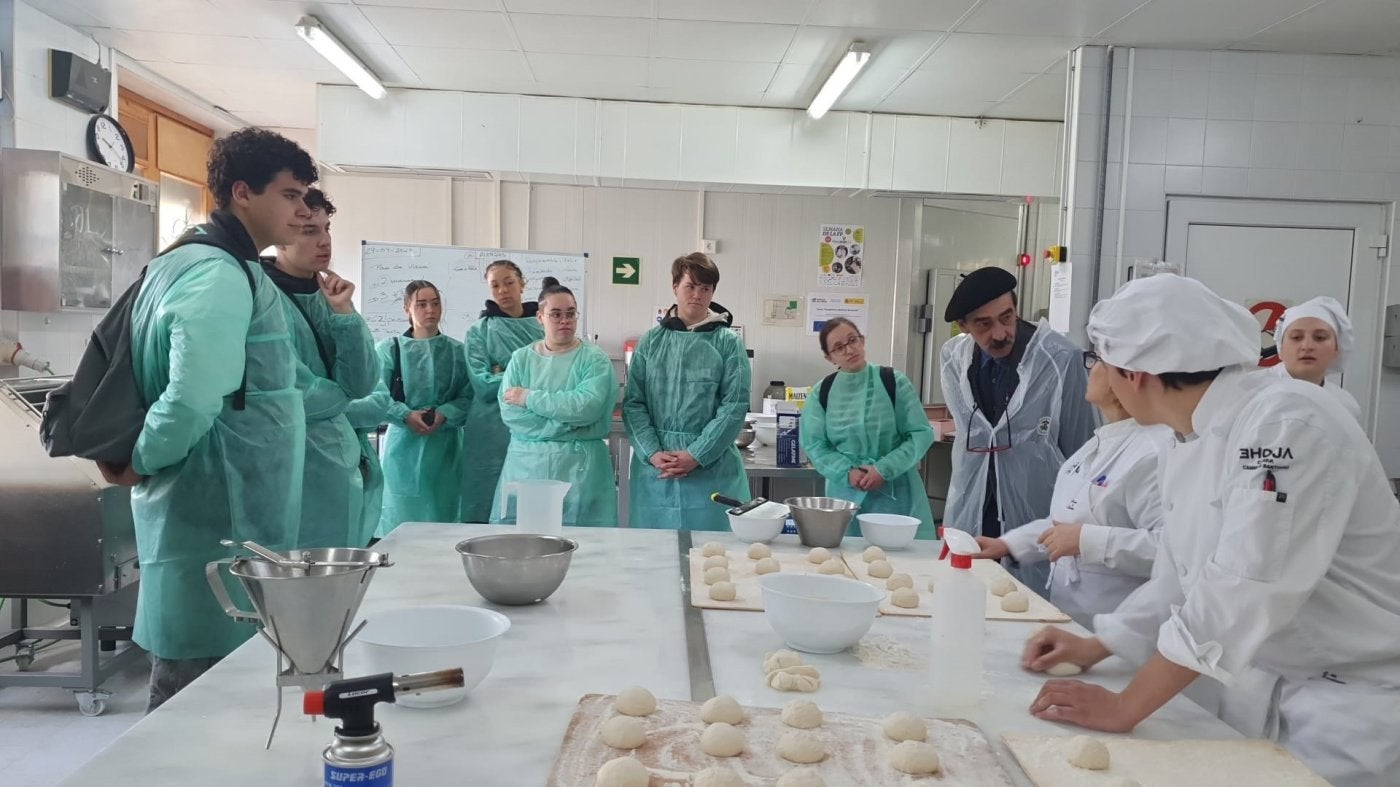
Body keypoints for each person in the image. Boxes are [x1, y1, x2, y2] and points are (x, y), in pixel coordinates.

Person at [1021, 274, 1400, 786]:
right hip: (1261, 684)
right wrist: (1100, 643)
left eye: (1100, 362)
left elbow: (1242, 587)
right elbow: (1181, 576)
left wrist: (1126, 706)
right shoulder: (1187, 437)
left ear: (1135, 375)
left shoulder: (1284, 424)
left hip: (1350, 704)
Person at [97, 128, 317, 711]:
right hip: (218, 511)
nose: (303, 210)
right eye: (290, 195)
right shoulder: (217, 273)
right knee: (195, 702)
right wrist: (141, 458)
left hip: (219, 509)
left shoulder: (200, 262)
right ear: (243, 193)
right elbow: (194, 395)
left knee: (208, 690)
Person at [974, 348, 1172, 627]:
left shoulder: (1154, 452)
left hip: (1120, 628)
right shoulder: (1100, 443)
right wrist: (1007, 544)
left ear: (1130, 378)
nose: (1090, 368)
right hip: (1072, 620)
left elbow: (1170, 550)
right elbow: (1064, 524)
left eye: (1098, 361)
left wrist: (1087, 541)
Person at [938, 266, 1098, 589]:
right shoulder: (954, 358)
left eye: (1007, 317)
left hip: (1036, 515)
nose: (999, 334)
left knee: (1030, 601)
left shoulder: (1059, 358)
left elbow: (1083, 452)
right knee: (965, 591)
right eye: (984, 324)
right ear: (963, 325)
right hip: (974, 504)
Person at [261, 188, 379, 548]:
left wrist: (344, 313)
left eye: (326, 229)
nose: (324, 241)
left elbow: (362, 381)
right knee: (288, 563)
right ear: (279, 236)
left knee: (337, 564)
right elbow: (289, 389)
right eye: (310, 231)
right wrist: (343, 396)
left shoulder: (330, 296)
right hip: (281, 457)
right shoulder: (261, 296)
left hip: (337, 459)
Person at [623, 253, 750, 530]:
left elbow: (734, 406)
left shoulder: (728, 343)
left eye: (705, 288)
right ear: (675, 287)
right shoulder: (651, 342)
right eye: (690, 286)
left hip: (712, 469)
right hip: (656, 470)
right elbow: (634, 404)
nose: (697, 295)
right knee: (655, 550)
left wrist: (697, 454)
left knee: (714, 551)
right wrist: (652, 452)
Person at [493, 278, 619, 526]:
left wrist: (528, 397)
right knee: (525, 543)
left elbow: (586, 407)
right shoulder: (521, 359)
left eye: (571, 314)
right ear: (540, 317)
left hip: (581, 471)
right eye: (556, 314)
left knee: (585, 542)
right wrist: (568, 422)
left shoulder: (594, 359)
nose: (565, 320)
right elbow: (511, 414)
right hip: (527, 469)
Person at [799, 317, 935, 537]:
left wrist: (884, 469)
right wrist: (846, 472)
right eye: (839, 347)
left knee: (900, 551)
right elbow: (814, 445)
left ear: (862, 340)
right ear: (829, 357)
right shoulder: (822, 393)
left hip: (897, 492)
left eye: (852, 340)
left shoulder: (893, 382)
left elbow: (920, 433)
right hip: (846, 495)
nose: (849, 350)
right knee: (847, 553)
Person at [364, 280, 473, 537]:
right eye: (421, 304)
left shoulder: (458, 352)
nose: (430, 310)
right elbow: (377, 394)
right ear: (407, 309)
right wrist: (405, 415)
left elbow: (469, 396)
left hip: (447, 448)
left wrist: (445, 413)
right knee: (401, 522)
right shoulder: (389, 350)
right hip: (403, 448)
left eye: (435, 303)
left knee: (445, 519)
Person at [460, 260, 544, 522]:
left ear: (522, 284)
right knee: (484, 502)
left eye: (509, 283)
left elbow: (553, 375)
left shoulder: (543, 327)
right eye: (495, 285)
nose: (503, 290)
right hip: (489, 431)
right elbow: (483, 385)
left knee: (531, 504)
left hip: (535, 426)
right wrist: (528, 379)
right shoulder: (479, 331)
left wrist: (502, 370)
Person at [1270, 296, 1362, 424]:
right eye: (1296, 337)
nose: (1307, 346)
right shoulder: (1253, 393)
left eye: (1320, 338)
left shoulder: (1344, 405)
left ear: (1337, 348)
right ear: (1281, 347)